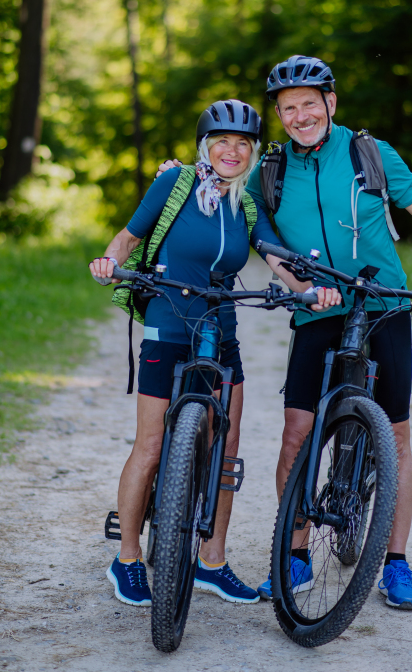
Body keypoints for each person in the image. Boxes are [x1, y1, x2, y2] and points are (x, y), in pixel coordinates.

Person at [159, 57, 412, 611]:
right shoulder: (272, 170)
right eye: (288, 108)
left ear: (331, 102)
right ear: (279, 116)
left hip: (383, 305)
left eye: (310, 102)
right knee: (296, 434)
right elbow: (225, 184)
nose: (300, 115)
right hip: (316, 308)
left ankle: (396, 563)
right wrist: (179, 175)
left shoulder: (370, 156)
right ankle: (298, 551)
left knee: (397, 437)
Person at [90, 98, 341, 609]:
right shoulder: (175, 183)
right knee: (152, 444)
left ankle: (212, 562)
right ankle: (129, 559)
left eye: (242, 143)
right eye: (222, 140)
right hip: (168, 322)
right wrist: (109, 260)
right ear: (206, 146)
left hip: (221, 330)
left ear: (251, 153)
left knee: (226, 448)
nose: (232, 150)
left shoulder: (247, 205)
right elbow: (129, 234)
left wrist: (308, 289)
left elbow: (273, 254)